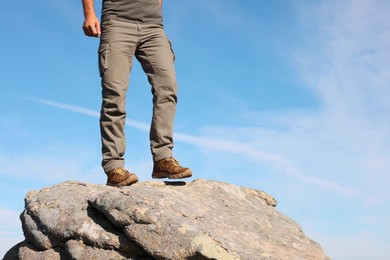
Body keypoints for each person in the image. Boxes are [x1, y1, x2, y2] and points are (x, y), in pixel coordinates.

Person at [81, 0, 192, 187]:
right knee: (114, 95)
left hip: (153, 27)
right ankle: (114, 167)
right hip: (117, 22)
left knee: (168, 88)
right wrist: (89, 13)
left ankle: (163, 158)